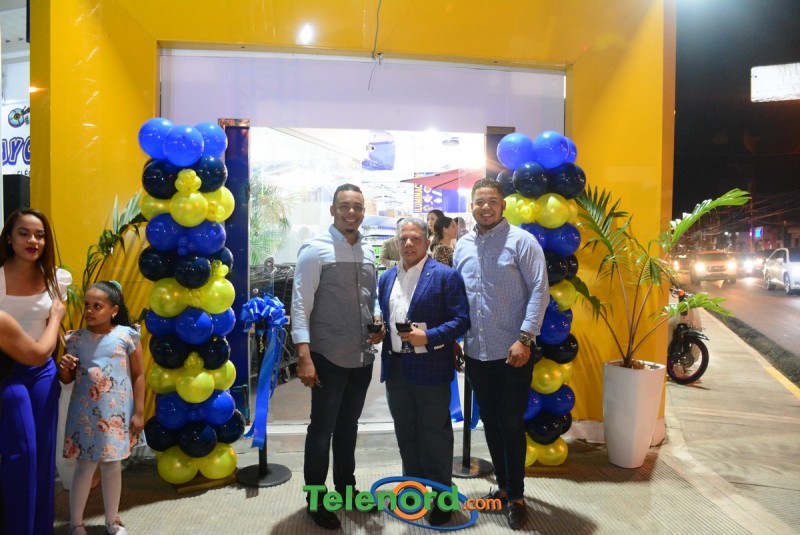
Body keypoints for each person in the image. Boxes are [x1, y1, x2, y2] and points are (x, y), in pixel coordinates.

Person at [453, 178, 549, 530]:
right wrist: (455, 338)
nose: (485, 207)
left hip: (513, 353)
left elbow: (540, 291)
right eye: (479, 202)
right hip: (476, 352)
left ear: (503, 205)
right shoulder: (462, 246)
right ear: (472, 206)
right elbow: (459, 297)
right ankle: (504, 488)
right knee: (491, 423)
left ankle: (518, 496)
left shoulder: (522, 242)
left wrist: (525, 338)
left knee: (510, 423)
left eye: (492, 201)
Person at [291, 183, 383, 530]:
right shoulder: (314, 251)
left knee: (349, 427)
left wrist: (378, 319)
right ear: (333, 210)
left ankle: (347, 489)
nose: (351, 212)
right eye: (344, 206)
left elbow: (372, 297)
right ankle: (315, 499)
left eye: (357, 206)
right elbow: (300, 305)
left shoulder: (369, 251)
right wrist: (304, 355)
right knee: (322, 429)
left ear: (363, 212)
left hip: (362, 356)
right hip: (327, 355)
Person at [378, 217, 469, 526]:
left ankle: (443, 498)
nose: (408, 244)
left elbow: (461, 320)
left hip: (431, 369)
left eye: (415, 238)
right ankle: (413, 493)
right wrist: (380, 331)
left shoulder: (445, 276)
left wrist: (428, 337)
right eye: (403, 238)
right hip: (396, 370)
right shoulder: (386, 278)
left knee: (435, 437)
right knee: (406, 435)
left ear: (427, 241)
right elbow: (387, 315)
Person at [0, 208, 72, 535]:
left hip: (43, 372)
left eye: (40, 235)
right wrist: (56, 317)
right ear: (9, 238)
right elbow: (53, 320)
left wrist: (65, 361)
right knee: (22, 454)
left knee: (44, 457)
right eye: (24, 233)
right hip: (7, 372)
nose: (33, 240)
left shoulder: (57, 278)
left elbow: (50, 338)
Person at [57, 281, 144, 535]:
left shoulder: (127, 336)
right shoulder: (75, 339)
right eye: (87, 305)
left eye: (97, 306)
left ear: (114, 310)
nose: (89, 310)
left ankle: (112, 521)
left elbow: (139, 375)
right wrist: (65, 368)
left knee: (112, 466)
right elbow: (67, 379)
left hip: (116, 415)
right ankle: (76, 523)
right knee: (85, 466)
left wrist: (139, 412)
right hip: (85, 415)